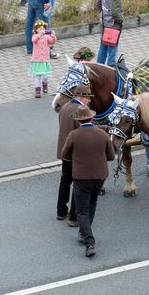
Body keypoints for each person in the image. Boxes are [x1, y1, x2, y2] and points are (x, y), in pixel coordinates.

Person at [61, 105, 115, 258]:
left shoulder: (73, 135)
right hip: (100, 176)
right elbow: (111, 156)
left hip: (81, 177)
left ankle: (89, 242)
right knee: (92, 204)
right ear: (91, 118)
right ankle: (84, 232)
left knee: (81, 211)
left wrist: (77, 160)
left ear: (78, 121)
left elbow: (65, 154)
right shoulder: (102, 134)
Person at [56, 84, 93, 226]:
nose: (89, 101)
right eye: (88, 98)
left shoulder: (64, 107)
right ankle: (73, 216)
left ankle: (61, 210)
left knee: (65, 180)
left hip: (63, 150)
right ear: (83, 97)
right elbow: (85, 131)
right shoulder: (81, 110)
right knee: (78, 184)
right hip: (76, 153)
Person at [97, 0, 127, 67]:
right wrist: (121, 20)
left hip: (104, 23)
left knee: (103, 47)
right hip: (113, 25)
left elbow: (98, 5)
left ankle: (98, 67)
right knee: (113, 50)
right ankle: (110, 70)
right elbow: (115, 12)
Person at [30, 21, 56, 98]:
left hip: (45, 60)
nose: (42, 30)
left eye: (43, 29)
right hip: (37, 60)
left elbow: (52, 42)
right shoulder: (35, 36)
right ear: (36, 30)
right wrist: (39, 35)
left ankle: (45, 83)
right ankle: (37, 90)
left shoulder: (46, 37)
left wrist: (53, 36)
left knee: (45, 75)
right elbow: (33, 40)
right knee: (37, 75)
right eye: (40, 29)